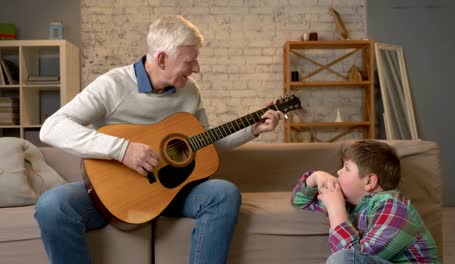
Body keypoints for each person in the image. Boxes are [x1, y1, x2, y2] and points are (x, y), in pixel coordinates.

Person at [35, 15, 284, 264]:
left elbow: (204, 143)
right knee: (52, 206)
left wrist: (252, 129)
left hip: (175, 192)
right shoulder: (112, 85)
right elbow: (52, 128)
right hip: (117, 195)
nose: (196, 68)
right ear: (162, 58)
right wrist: (122, 149)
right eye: (190, 60)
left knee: (224, 192)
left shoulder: (190, 91)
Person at [291, 140, 440, 264]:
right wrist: (317, 176)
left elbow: (352, 258)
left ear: (369, 181)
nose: (338, 172)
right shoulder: (351, 204)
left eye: (346, 168)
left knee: (342, 258)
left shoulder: (393, 207)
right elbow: (300, 200)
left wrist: (336, 209)